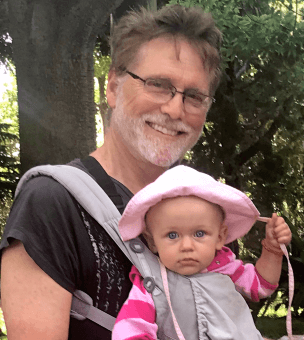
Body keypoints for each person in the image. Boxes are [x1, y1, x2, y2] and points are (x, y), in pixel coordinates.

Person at [0, 4, 223, 340]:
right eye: (158, 84)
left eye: (194, 96)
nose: (175, 108)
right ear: (114, 88)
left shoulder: (198, 205)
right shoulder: (50, 205)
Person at [112, 165, 292, 340]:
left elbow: (260, 286)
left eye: (199, 234)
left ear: (220, 237)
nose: (187, 246)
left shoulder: (226, 268)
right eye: (172, 235)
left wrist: (272, 250)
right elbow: (129, 329)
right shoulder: (152, 284)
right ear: (152, 242)